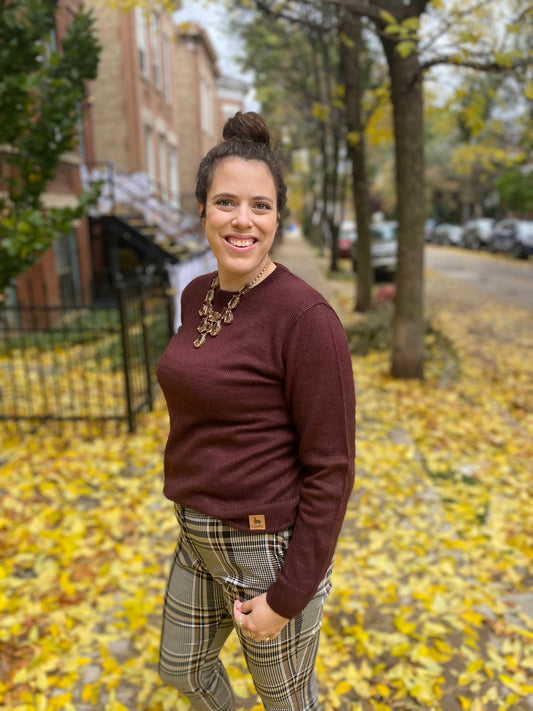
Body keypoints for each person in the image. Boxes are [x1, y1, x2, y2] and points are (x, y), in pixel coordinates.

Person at [156, 111, 356, 711]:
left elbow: (331, 468)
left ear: (277, 217)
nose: (242, 220)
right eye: (226, 202)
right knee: (182, 670)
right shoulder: (197, 294)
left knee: (289, 704)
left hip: (265, 549)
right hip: (196, 532)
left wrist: (288, 597)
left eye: (260, 206)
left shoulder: (306, 319)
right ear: (202, 212)